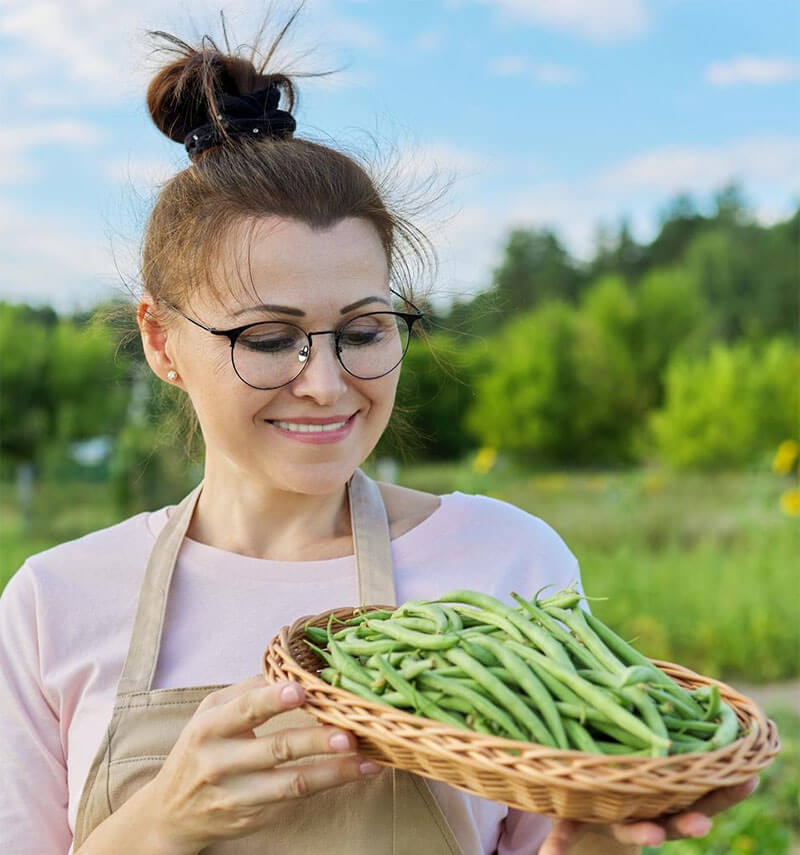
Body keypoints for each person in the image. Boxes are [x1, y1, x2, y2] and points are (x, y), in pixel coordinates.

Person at [0, 11, 757, 855]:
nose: (325, 383)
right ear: (159, 341)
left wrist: (601, 843)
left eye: (362, 331)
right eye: (268, 338)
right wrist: (168, 815)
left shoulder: (507, 558)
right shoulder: (53, 604)